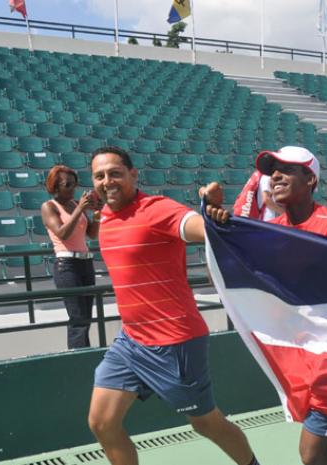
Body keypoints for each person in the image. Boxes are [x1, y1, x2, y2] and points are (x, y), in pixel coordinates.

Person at [86, 146, 260, 465]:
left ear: (133, 174)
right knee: (101, 422)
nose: (107, 181)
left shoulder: (158, 209)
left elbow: (199, 228)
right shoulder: (105, 217)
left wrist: (212, 215)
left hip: (175, 342)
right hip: (131, 341)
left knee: (206, 423)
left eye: (115, 173)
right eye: (99, 176)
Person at [253, 146, 327, 465]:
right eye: (272, 170)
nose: (275, 175)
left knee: (312, 454)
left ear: (310, 179)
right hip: (304, 358)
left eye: (286, 169)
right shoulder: (274, 232)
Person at [42, 165, 100, 349]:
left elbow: (91, 233)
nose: (72, 189)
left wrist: (97, 214)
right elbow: (62, 233)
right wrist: (80, 208)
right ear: (55, 186)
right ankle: (78, 356)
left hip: (85, 262)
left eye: (74, 184)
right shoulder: (49, 207)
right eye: (68, 185)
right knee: (77, 317)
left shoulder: (76, 205)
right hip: (66, 265)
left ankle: (83, 352)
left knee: (86, 316)